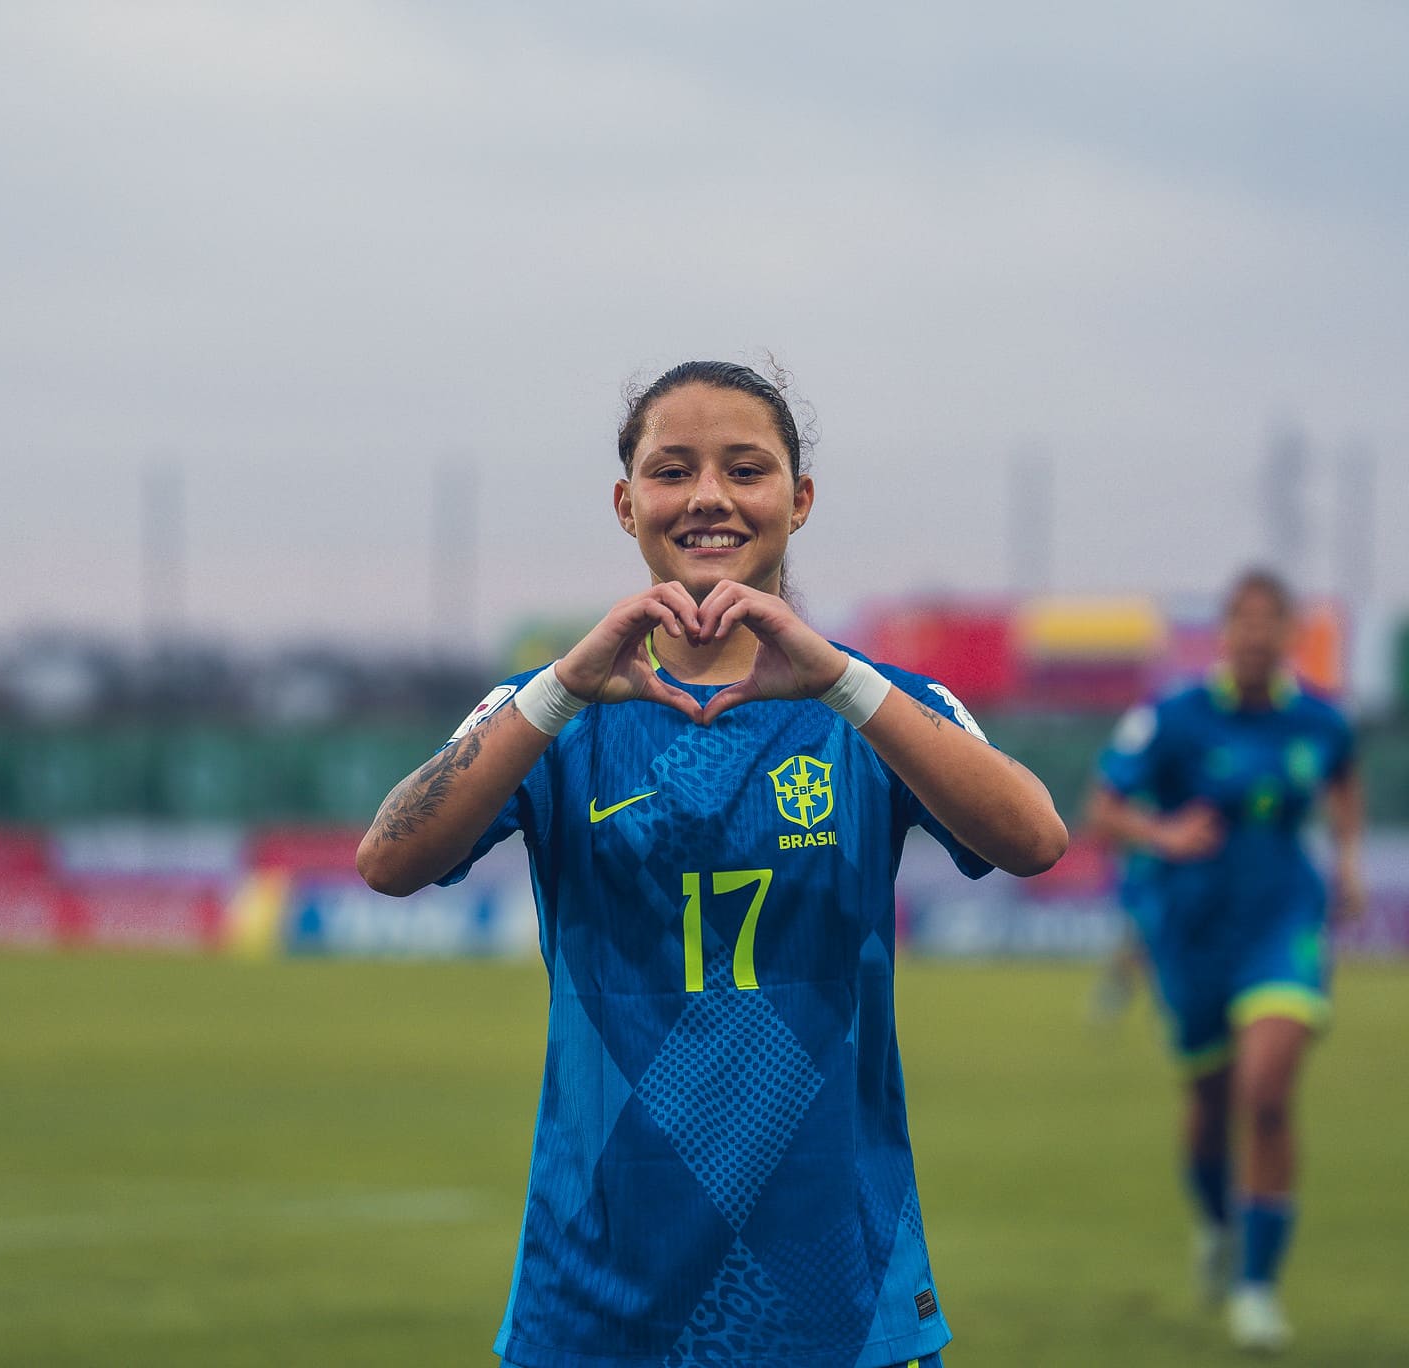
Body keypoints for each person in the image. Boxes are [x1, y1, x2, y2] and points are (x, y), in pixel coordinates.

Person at [357, 360, 1069, 1368]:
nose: (706, 497)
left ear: (798, 498)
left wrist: (836, 680)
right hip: (594, 1307)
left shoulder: (878, 705)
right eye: (670, 470)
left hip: (841, 1304)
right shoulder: (548, 712)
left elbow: (1034, 841)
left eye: (745, 469)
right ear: (624, 503)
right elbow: (386, 859)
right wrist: (564, 686)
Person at [1087, 570, 1363, 1353]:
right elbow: (1103, 810)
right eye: (1242, 620)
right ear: (1224, 632)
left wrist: (1349, 860)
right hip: (1195, 929)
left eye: (1270, 622)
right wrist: (1166, 836)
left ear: (1288, 633)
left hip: (1284, 921)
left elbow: (1344, 779)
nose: (1255, 634)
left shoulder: (1317, 720)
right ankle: (1216, 1226)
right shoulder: (1173, 720)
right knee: (1210, 1107)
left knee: (1266, 1094)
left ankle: (1258, 1289)